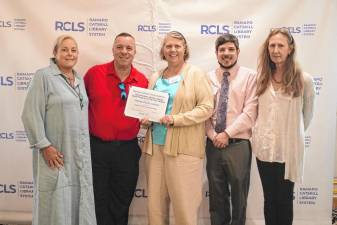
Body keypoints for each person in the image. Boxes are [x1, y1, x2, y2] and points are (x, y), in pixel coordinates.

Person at [21, 35, 96, 225]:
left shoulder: (79, 79)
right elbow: (30, 114)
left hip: (79, 154)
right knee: (55, 201)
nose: (69, 54)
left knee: (78, 198)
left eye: (73, 50)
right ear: (55, 53)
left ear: (78, 54)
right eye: (64, 49)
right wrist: (44, 146)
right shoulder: (43, 76)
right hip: (55, 153)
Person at [141, 31, 214, 225]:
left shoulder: (195, 74)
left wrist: (176, 119)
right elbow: (150, 107)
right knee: (155, 209)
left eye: (177, 46)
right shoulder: (155, 76)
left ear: (185, 50)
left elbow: (207, 108)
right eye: (168, 46)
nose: (172, 50)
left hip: (183, 151)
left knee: (184, 208)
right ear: (163, 51)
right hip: (154, 148)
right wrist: (146, 119)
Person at [252, 28, 315, 225]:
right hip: (265, 151)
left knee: (285, 200)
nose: (276, 50)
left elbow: (307, 115)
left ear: (290, 48)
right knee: (269, 200)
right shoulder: (261, 78)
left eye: (280, 45)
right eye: (272, 45)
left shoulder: (304, 80)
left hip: (288, 151)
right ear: (267, 49)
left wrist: (290, 135)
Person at [84, 32, 148, 225]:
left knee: (122, 199)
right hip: (97, 149)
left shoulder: (142, 80)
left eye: (129, 48)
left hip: (127, 150)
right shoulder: (94, 74)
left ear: (135, 52)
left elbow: (148, 112)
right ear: (113, 49)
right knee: (98, 198)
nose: (124, 51)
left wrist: (148, 119)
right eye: (119, 47)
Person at [205, 33, 257, 225]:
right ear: (216, 53)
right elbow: (204, 112)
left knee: (239, 196)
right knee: (216, 196)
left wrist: (226, 134)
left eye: (230, 49)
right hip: (213, 144)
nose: (226, 53)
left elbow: (250, 112)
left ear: (238, 51)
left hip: (238, 144)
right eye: (222, 50)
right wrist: (213, 136)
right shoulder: (208, 77)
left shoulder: (250, 76)